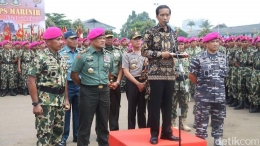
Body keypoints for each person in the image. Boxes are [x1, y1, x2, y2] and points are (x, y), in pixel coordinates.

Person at [141, 5, 188, 144]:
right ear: (157, 16)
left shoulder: (174, 33)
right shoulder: (151, 32)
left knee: (169, 104)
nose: (165, 17)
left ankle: (167, 132)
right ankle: (154, 133)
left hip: (171, 74)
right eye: (162, 15)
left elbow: (174, 51)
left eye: (167, 15)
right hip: (156, 74)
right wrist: (161, 54)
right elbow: (144, 51)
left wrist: (180, 55)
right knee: (155, 105)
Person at [27, 27, 70, 146]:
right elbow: (31, 80)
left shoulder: (61, 57)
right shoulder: (40, 57)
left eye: (61, 39)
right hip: (46, 102)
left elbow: (64, 79)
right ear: (48, 41)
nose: (62, 42)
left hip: (60, 101)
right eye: (58, 39)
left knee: (58, 133)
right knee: (45, 134)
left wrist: (66, 99)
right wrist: (35, 104)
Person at [71, 28, 113, 146]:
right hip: (88, 92)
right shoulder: (82, 55)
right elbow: (74, 74)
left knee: (103, 124)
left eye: (104, 38)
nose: (103, 40)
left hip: (104, 91)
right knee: (85, 124)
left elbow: (109, 72)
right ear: (92, 40)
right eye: (100, 38)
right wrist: (84, 85)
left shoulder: (108, 55)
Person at [189, 32, 228, 146]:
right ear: (206, 43)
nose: (216, 44)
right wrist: (202, 85)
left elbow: (224, 74)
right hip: (203, 96)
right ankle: (201, 141)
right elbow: (191, 75)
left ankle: (218, 139)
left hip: (220, 95)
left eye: (217, 41)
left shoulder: (223, 57)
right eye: (213, 41)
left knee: (219, 118)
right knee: (201, 120)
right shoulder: (198, 58)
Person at [59, 31, 80, 146]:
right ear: (65, 40)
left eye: (76, 38)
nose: (75, 41)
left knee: (78, 111)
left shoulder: (81, 53)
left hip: (79, 85)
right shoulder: (61, 53)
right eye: (72, 39)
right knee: (66, 111)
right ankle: (64, 137)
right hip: (66, 86)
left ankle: (77, 135)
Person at [122, 31, 147, 129]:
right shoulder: (127, 54)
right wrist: (137, 83)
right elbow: (126, 72)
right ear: (130, 41)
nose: (138, 41)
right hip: (132, 82)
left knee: (142, 108)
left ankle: (143, 130)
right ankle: (131, 130)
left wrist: (145, 82)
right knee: (132, 108)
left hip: (145, 81)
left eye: (139, 39)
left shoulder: (146, 52)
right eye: (135, 39)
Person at [171, 36, 191, 132]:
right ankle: (173, 123)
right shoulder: (171, 55)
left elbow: (191, 70)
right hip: (174, 84)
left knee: (184, 104)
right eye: (178, 44)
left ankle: (182, 123)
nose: (180, 46)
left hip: (184, 83)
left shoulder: (188, 55)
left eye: (182, 44)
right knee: (173, 104)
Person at [104, 30, 123, 131]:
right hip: (103, 81)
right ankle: (102, 131)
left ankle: (114, 130)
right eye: (107, 37)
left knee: (115, 106)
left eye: (111, 37)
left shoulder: (118, 51)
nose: (109, 39)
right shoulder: (100, 51)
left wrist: (118, 82)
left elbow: (121, 68)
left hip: (115, 81)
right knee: (102, 107)